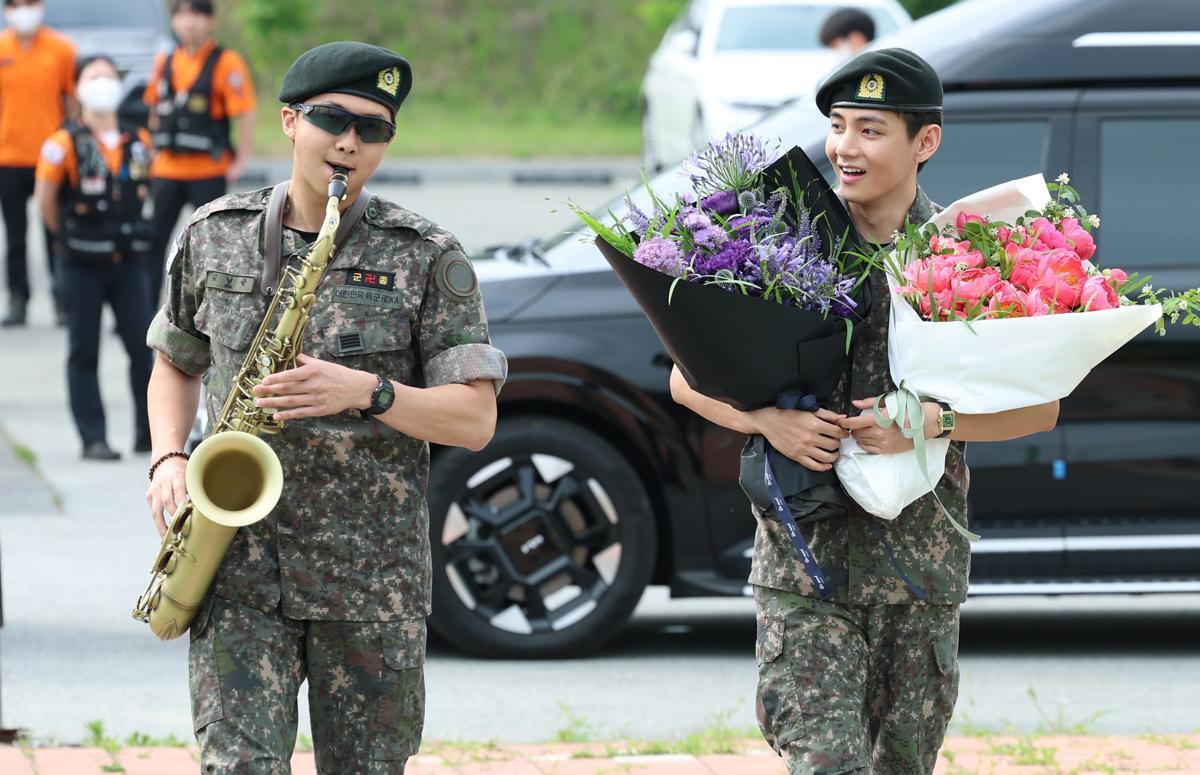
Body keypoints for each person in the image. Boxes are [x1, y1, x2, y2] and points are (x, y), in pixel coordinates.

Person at [670, 49, 1060, 774]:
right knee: (828, 762)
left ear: (925, 141)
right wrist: (767, 421)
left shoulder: (969, 254)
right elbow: (685, 380)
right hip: (804, 566)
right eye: (838, 126)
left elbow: (1040, 410)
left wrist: (932, 423)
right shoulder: (782, 240)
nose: (845, 147)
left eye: (870, 130)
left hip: (919, 572)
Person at [143, 41, 508, 772]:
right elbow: (174, 364)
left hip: (370, 581)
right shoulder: (214, 233)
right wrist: (169, 457)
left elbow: (475, 420)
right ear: (290, 120)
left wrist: (369, 392)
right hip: (238, 568)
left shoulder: (425, 253)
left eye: (373, 129)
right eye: (332, 119)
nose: (349, 142)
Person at [35, 55, 154, 461]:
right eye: (93, 76)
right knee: (83, 349)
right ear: (78, 88)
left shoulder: (138, 139)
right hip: (81, 262)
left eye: (108, 76)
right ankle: (93, 437)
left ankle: (148, 433)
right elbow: (46, 199)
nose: (103, 83)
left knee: (143, 346)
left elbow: (145, 188)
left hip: (128, 261)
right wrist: (65, 238)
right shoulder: (62, 142)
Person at [143, 0, 255, 309]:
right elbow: (154, 108)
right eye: (182, 15)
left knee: (215, 244)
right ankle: (145, 308)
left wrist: (241, 159)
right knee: (153, 240)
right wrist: (151, 149)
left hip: (208, 169)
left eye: (197, 14)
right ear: (174, 21)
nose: (189, 22)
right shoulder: (165, 61)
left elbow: (244, 111)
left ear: (210, 20)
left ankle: (213, 310)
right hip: (166, 169)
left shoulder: (226, 62)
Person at [0, 0, 76, 327]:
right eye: (16, 4)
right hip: (8, 156)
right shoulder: (2, 48)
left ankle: (62, 299)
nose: (23, 9)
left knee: (55, 231)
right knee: (15, 234)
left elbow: (71, 100)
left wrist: (72, 142)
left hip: (51, 157)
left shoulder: (61, 49)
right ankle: (18, 299)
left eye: (29, 3)